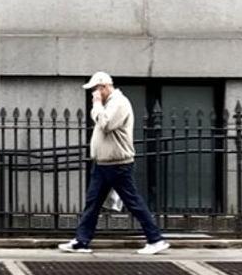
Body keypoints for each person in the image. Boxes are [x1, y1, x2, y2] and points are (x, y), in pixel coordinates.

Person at [57, 71, 170, 255]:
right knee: (92, 203)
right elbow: (101, 121)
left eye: (95, 89)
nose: (93, 93)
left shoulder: (119, 103)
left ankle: (155, 239)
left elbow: (106, 124)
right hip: (103, 164)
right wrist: (98, 105)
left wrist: (96, 104)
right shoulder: (108, 103)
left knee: (133, 202)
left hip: (117, 164)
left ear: (104, 87)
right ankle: (81, 241)